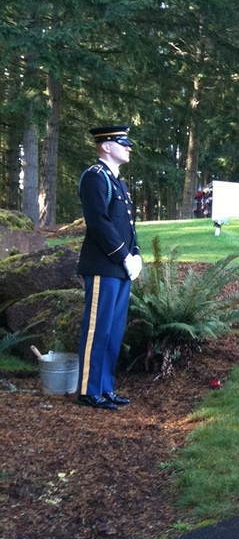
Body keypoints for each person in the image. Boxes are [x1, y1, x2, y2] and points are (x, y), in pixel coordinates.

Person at [76, 125, 142, 410]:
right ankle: (88, 390)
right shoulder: (95, 177)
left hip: (121, 268)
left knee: (114, 331)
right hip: (105, 265)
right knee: (97, 329)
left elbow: (127, 225)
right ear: (105, 146)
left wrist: (136, 254)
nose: (128, 147)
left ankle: (106, 388)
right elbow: (99, 223)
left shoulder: (119, 183)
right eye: (122, 142)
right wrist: (122, 256)